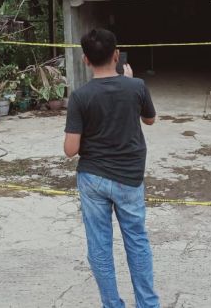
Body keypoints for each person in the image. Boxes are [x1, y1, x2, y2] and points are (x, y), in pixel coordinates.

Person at [64, 28, 160, 308]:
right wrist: (128, 84)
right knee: (137, 241)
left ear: (85, 60)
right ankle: (148, 304)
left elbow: (70, 150)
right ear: (117, 55)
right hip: (130, 178)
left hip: (93, 178)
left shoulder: (80, 97)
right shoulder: (137, 86)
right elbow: (150, 120)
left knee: (100, 246)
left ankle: (112, 304)